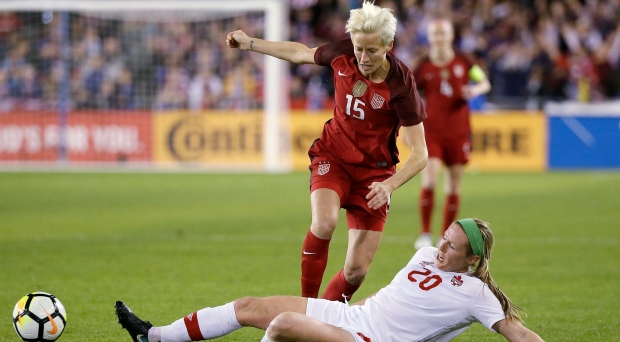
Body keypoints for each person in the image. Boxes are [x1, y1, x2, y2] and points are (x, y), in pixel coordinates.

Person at [226, 1, 428, 302]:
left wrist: (389, 185)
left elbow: (420, 153)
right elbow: (300, 53)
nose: (363, 57)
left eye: (372, 50)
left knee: (356, 271)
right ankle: (304, 310)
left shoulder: (401, 85)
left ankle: (322, 315)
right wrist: (250, 43)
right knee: (323, 223)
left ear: (389, 45)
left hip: (375, 175)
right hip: (333, 158)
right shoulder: (343, 52)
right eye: (359, 48)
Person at [115, 218, 545, 342]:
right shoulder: (423, 255)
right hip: (349, 318)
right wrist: (351, 310)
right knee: (251, 306)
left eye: (450, 247)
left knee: (282, 325)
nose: (440, 249)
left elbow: (519, 334)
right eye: (443, 239)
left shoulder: (476, 294)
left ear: (471, 260)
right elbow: (392, 295)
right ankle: (152, 337)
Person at [412, 18, 491, 250]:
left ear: (451, 36)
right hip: (432, 131)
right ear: (429, 37)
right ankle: (424, 233)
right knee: (429, 179)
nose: (439, 38)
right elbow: (410, 93)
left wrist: (475, 89)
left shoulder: (464, 61)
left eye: (442, 34)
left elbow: (484, 82)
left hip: (459, 132)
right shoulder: (423, 65)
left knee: (454, 186)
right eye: (435, 34)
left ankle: (443, 235)